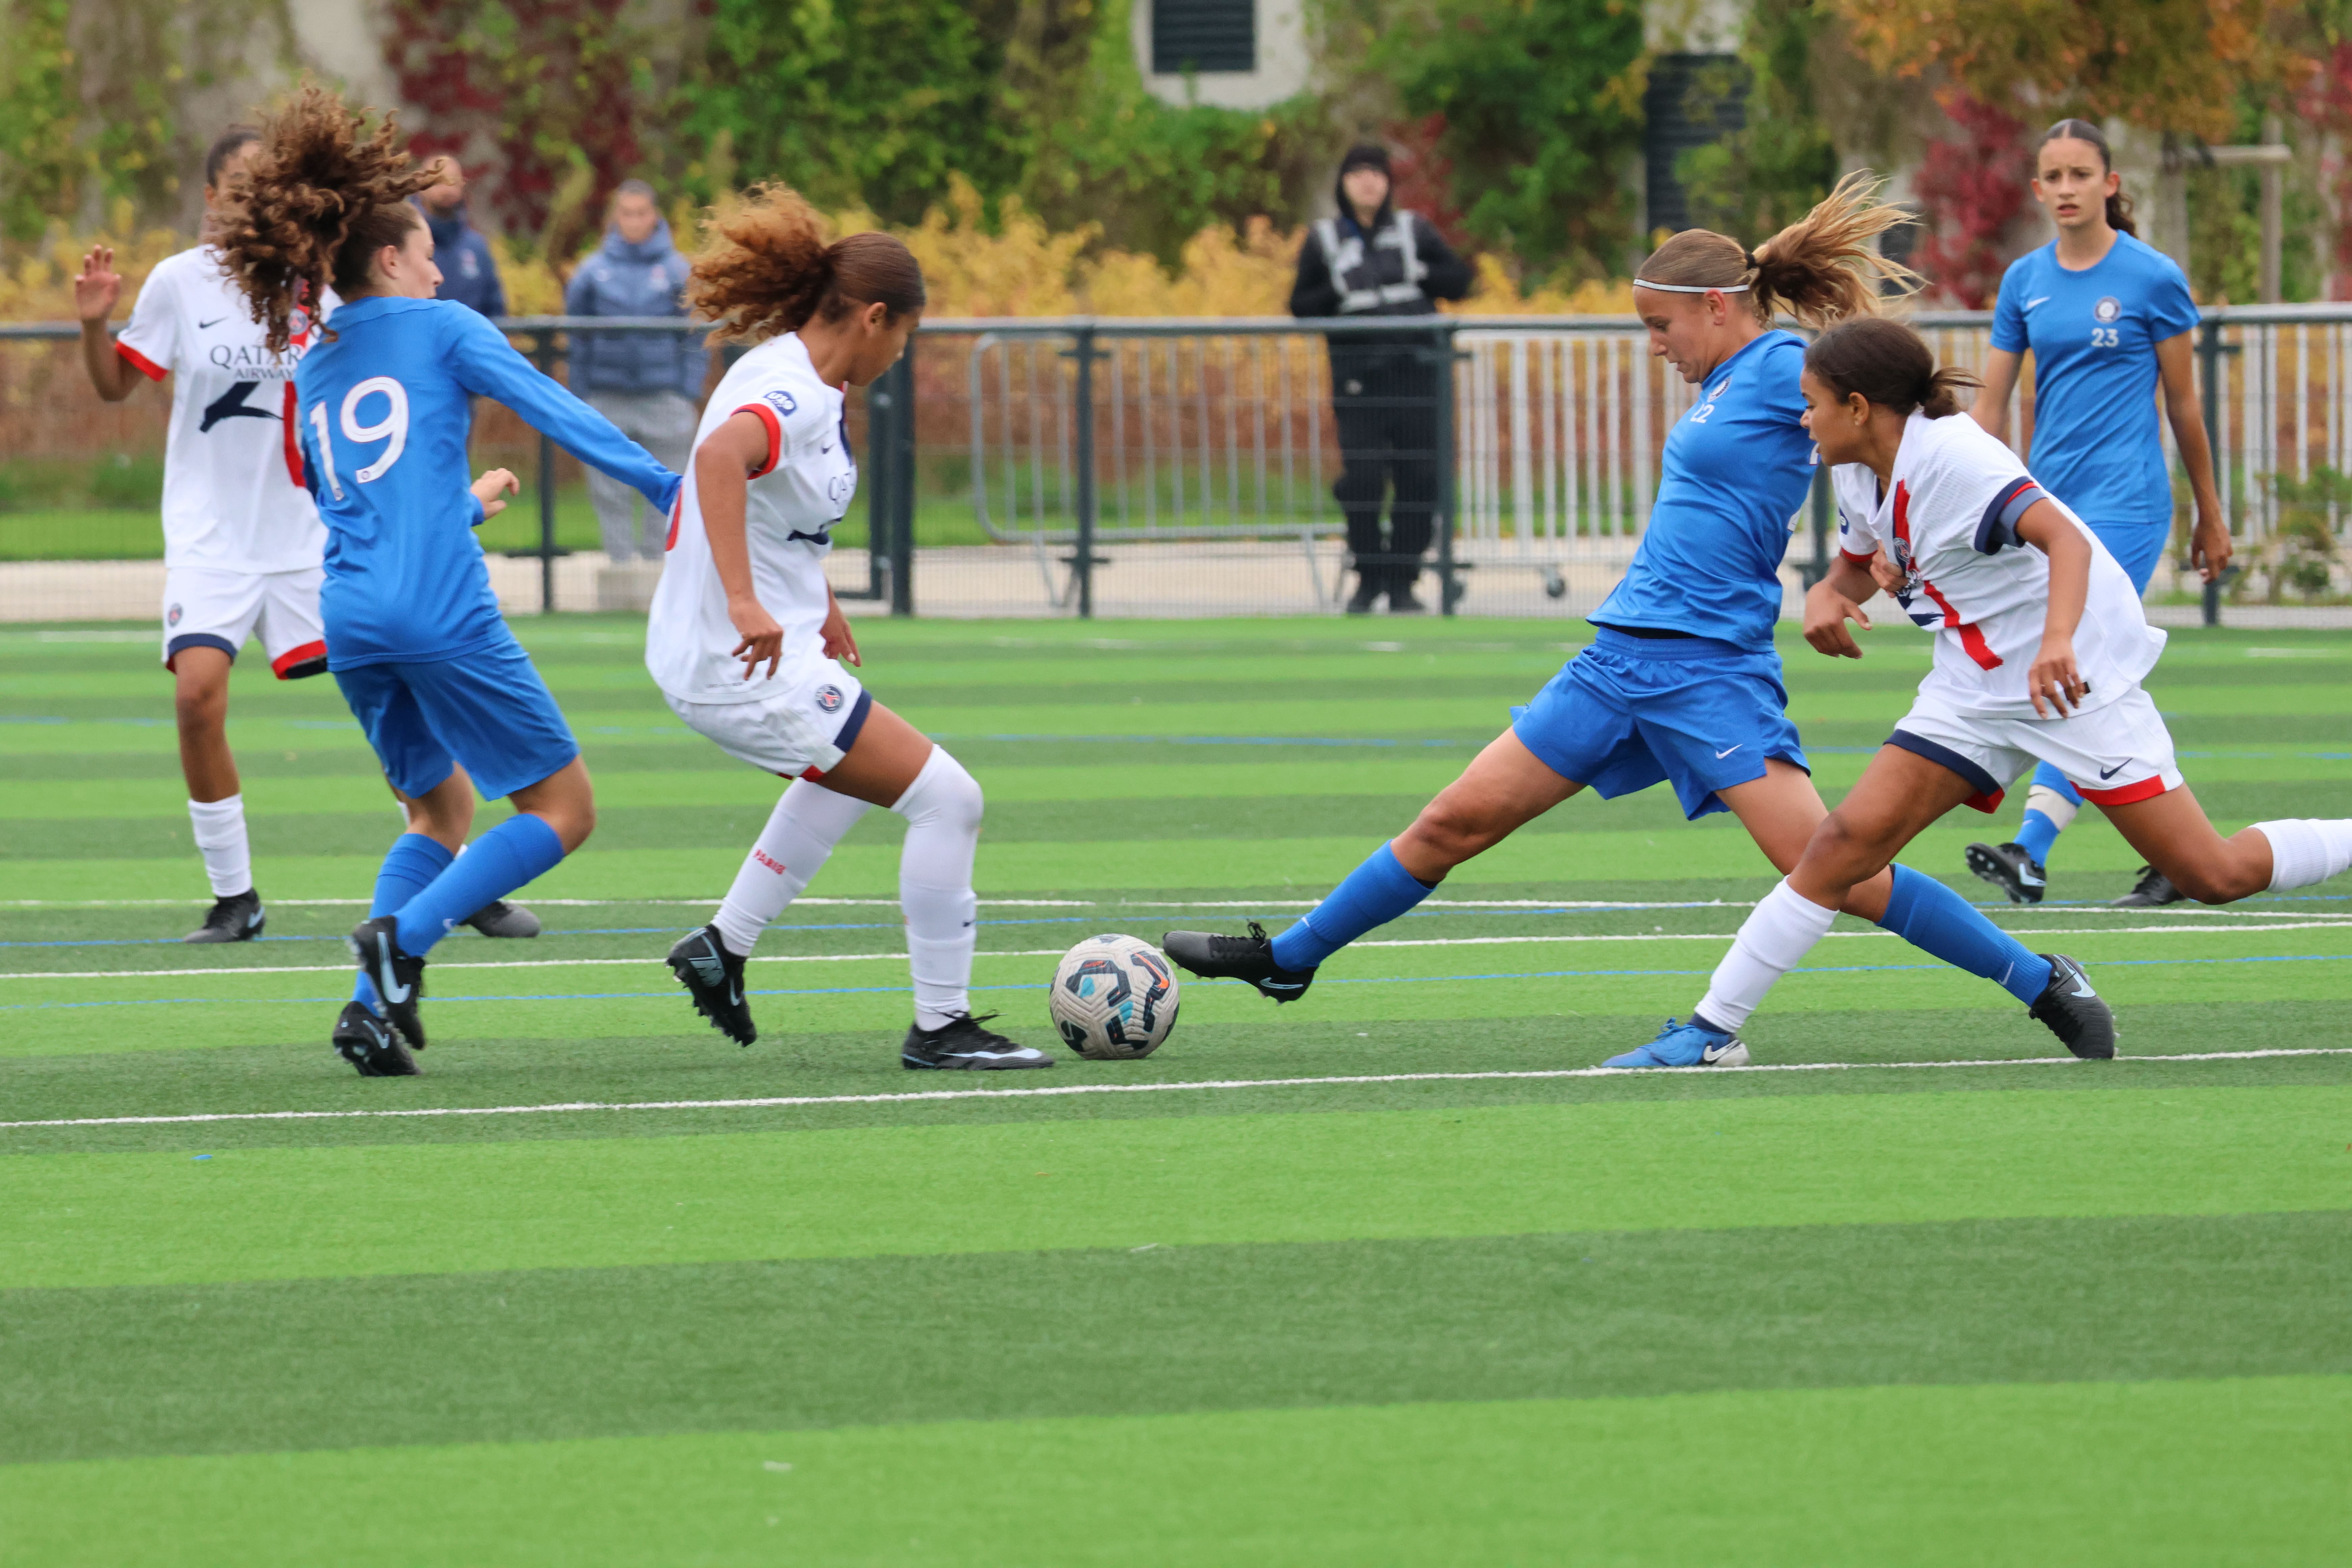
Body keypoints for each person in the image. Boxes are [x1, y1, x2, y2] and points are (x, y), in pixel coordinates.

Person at [1166, 175, 2106, 1069]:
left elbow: (1887, 436)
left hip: (1710, 672)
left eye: (1661, 325)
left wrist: (1887, 559)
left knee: (1838, 866)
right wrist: (1848, 571)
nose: (1654, 345)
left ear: (1717, 307)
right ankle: (1290, 957)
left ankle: (2037, 978)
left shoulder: (1784, 367)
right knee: (1454, 819)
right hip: (1618, 658)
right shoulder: (1726, 382)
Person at [1661, 317, 2351, 1062]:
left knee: (2211, 874)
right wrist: (1833, 590)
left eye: (1811, 403)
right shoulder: (1856, 467)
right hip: (1972, 687)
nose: (1802, 419)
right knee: (1841, 846)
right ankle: (1709, 1032)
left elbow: (2065, 539)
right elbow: (1859, 562)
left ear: (1857, 408)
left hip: (2074, 686)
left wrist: (2057, 642)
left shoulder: (1956, 460)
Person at [217, 84, 681, 1076]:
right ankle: (404, 941)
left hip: (352, 618)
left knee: (439, 812)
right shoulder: (445, 327)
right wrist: (665, 487)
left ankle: (367, 1013)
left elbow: (352, 500)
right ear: (391, 259)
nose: (439, 267)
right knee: (565, 810)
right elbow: (557, 409)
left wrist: (461, 506)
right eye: (427, 250)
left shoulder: (317, 362)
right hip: (438, 611)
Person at [650, 185, 1050, 1071]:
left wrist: (813, 594)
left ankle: (721, 948)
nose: (902, 354)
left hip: (731, 651)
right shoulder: (798, 396)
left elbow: (772, 505)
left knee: (844, 778)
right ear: (874, 318)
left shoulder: (789, 369)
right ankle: (941, 1026)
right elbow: (719, 460)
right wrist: (749, 602)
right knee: (951, 799)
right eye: (905, 335)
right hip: (738, 660)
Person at [1961, 118, 2231, 910]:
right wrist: (1965, 500)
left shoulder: (2152, 278)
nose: (2068, 188)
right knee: (2096, 676)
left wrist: (2209, 513)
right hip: (2048, 507)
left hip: (2127, 504)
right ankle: (2180, 854)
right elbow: (1990, 407)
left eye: (2082, 173)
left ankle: (2030, 848)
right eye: (2054, 176)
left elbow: (2184, 405)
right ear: (2037, 189)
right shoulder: (2024, 281)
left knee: (2076, 660)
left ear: (2110, 184)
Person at [70, 127, 325, 943]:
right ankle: (235, 898)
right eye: (242, 182)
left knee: (388, 690)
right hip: (211, 536)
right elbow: (116, 386)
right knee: (196, 696)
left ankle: (458, 874)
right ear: (213, 197)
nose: (260, 194)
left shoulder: (320, 278)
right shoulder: (179, 280)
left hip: (312, 534)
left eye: (272, 180)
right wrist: (94, 326)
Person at [1290, 143, 1473, 615]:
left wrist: (1418, 272)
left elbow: (1459, 281)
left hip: (1419, 376)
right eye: (1358, 173)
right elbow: (1300, 305)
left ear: (1389, 182)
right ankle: (1369, 578)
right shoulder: (1325, 240)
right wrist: (1339, 287)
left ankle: (1403, 581)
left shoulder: (1414, 231)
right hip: (1360, 382)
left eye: (1376, 172)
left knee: (1421, 479)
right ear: (1343, 184)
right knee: (1363, 481)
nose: (1368, 181)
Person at [566, 179, 705, 565]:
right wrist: (582, 392)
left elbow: (696, 333)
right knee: (608, 487)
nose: (634, 221)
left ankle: (660, 566)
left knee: (669, 483)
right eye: (627, 213)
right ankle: (621, 565)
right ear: (616, 217)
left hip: (665, 395)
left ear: (654, 216)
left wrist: (686, 389)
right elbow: (576, 335)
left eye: (641, 213)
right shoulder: (592, 271)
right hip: (607, 394)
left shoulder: (677, 270)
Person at [416, 158, 508, 319]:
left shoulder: (477, 247)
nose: (447, 190)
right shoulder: (408, 244)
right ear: (421, 186)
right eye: (439, 182)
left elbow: (495, 308)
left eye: (453, 182)